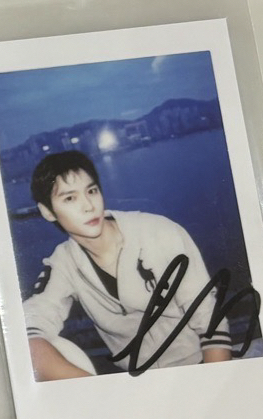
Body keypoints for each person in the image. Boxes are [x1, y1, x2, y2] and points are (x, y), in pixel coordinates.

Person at [22, 151, 240, 380]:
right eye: (70, 198)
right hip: (137, 385)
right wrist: (95, 392)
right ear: (47, 212)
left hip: (200, 366)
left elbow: (211, 323)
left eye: (92, 191)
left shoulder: (158, 232)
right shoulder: (63, 263)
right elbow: (29, 328)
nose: (88, 206)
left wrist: (213, 386)